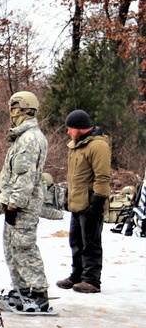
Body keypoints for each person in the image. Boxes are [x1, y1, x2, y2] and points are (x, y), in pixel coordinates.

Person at [0, 91, 51, 313]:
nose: (11, 112)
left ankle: (38, 293)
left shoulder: (30, 139)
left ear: (25, 108)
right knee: (11, 248)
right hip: (16, 203)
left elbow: (24, 176)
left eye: (14, 107)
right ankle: (22, 289)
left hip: (23, 205)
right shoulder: (22, 137)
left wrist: (14, 203)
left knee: (24, 247)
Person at [57, 109, 112, 293]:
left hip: (90, 204)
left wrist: (97, 203)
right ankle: (77, 276)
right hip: (77, 205)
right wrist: (67, 197)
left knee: (91, 244)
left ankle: (91, 281)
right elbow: (75, 177)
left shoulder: (98, 146)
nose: (68, 132)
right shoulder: (75, 145)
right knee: (76, 242)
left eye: (70, 128)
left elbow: (103, 177)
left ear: (80, 129)